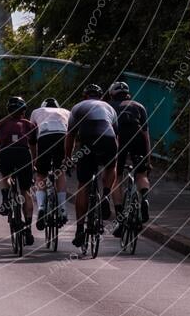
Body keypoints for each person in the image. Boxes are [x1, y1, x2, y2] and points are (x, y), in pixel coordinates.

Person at [65, 84, 118, 248]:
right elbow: (116, 135)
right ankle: (106, 195)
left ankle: (80, 229)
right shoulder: (109, 108)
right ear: (101, 96)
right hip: (108, 139)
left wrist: (68, 158)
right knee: (110, 167)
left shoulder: (78, 107)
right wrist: (114, 156)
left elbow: (71, 136)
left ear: (84, 96)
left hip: (88, 140)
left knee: (83, 185)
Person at [0, 96, 37, 246]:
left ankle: (5, 200)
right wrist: (33, 164)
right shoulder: (30, 125)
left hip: (6, 155)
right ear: (23, 111)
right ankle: (28, 229)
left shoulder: (0, 125)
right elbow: (34, 148)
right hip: (23, 155)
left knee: (5, 175)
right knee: (26, 190)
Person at [108, 81, 151, 236]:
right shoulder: (139, 106)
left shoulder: (109, 107)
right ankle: (144, 198)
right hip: (138, 137)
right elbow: (146, 135)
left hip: (119, 138)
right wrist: (148, 159)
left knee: (116, 177)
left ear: (112, 94)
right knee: (141, 174)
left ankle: (121, 221)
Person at [29, 98, 70, 231]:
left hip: (44, 137)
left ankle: (41, 207)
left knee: (41, 174)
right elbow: (72, 135)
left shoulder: (36, 112)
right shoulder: (66, 112)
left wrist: (35, 159)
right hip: (62, 136)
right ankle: (62, 208)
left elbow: (32, 137)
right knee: (60, 171)